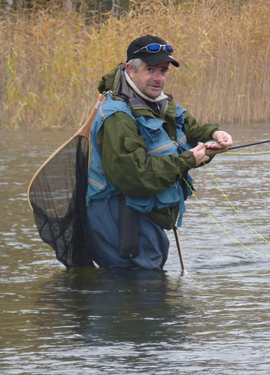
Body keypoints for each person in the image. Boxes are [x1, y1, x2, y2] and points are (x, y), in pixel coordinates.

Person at [86, 35, 232, 270]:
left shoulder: (157, 103)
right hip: (120, 224)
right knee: (136, 295)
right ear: (130, 70)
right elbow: (134, 176)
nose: (158, 78)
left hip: (143, 220)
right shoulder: (117, 118)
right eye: (150, 69)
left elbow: (189, 129)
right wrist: (187, 161)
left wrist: (214, 135)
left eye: (163, 71)